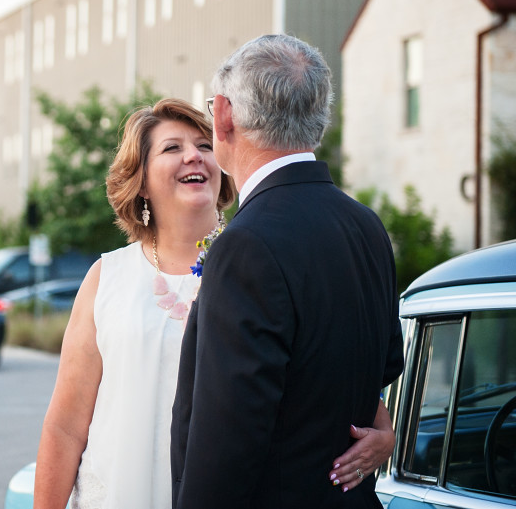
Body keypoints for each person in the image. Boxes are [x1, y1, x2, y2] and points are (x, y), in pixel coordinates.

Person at [33, 97, 392, 509]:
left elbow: (324, 383)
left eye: (205, 146)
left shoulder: (257, 262)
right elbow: (65, 428)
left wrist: (382, 433)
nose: (194, 157)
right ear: (142, 181)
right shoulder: (107, 278)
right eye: (172, 148)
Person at [170, 35, 404, 508]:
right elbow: (385, 366)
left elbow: (227, 439)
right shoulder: (366, 226)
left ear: (224, 115)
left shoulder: (246, 245)